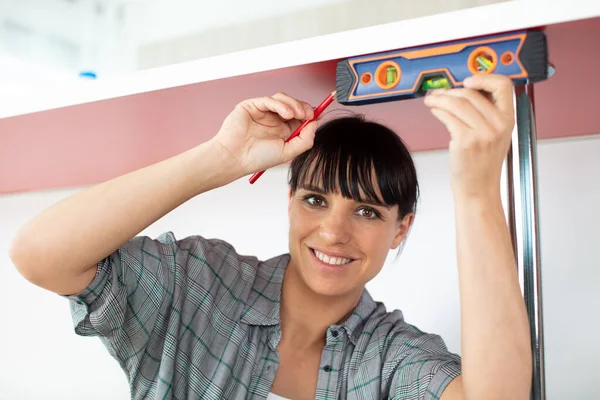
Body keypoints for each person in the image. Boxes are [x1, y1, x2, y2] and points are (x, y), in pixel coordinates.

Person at [10, 73, 532, 400]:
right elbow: (39, 255)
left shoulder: (390, 357)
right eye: (315, 200)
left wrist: (477, 194)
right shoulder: (199, 288)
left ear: (402, 229)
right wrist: (220, 159)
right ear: (289, 202)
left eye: (368, 212)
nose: (333, 231)